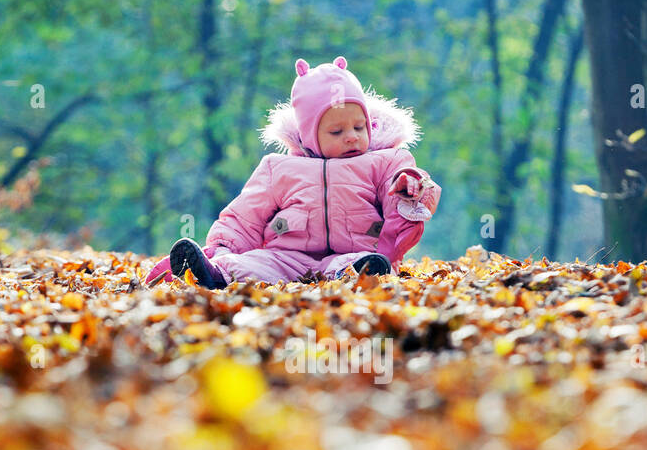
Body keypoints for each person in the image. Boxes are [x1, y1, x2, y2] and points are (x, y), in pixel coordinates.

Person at [144, 56, 440, 288]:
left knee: (362, 264)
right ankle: (214, 274)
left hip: (352, 253)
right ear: (310, 135)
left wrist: (409, 188)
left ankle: (357, 277)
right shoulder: (280, 168)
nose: (351, 136)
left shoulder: (382, 162)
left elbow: (400, 195)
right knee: (254, 264)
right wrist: (222, 248)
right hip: (287, 256)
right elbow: (246, 215)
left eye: (359, 127)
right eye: (336, 131)